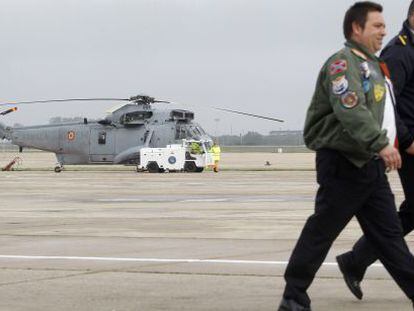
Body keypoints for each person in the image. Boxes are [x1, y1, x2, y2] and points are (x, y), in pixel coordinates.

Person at [278, 2, 414, 310]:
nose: (384, 31)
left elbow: (385, 113)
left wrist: (388, 144)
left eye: (383, 25)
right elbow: (351, 109)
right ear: (357, 28)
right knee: (323, 229)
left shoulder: (375, 68)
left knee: (390, 237)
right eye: (377, 26)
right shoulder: (342, 65)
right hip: (342, 162)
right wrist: (382, 144)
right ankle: (293, 294)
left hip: (369, 164)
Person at [336, 0, 414, 301]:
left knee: (410, 213)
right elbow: (387, 102)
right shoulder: (399, 51)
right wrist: (405, 141)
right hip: (408, 147)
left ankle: (355, 260)